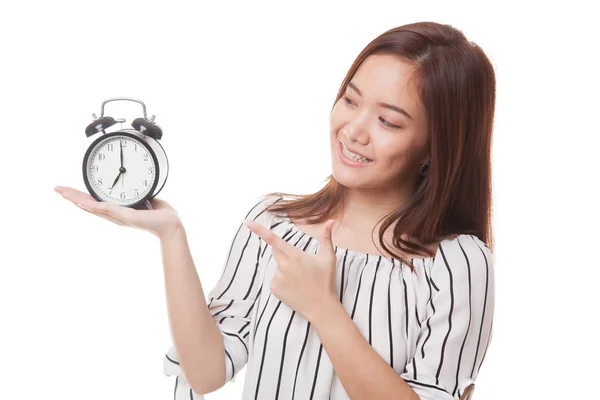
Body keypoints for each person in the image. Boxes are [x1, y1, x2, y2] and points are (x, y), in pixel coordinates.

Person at [55, 21, 496, 400]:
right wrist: (171, 235)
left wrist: (323, 308)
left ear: (435, 148)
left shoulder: (456, 265)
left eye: (389, 122)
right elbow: (208, 373)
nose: (354, 129)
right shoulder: (272, 224)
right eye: (351, 99)